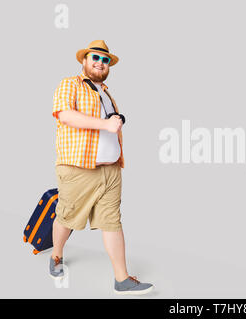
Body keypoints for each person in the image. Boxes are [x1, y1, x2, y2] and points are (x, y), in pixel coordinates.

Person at [50, 40, 153, 295]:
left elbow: (109, 125)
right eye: (95, 57)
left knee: (112, 222)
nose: (100, 62)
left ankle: (122, 278)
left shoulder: (106, 93)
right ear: (84, 60)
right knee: (68, 215)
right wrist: (106, 125)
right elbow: (65, 115)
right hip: (79, 168)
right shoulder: (69, 84)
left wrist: (114, 122)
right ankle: (56, 255)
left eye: (105, 60)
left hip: (111, 170)